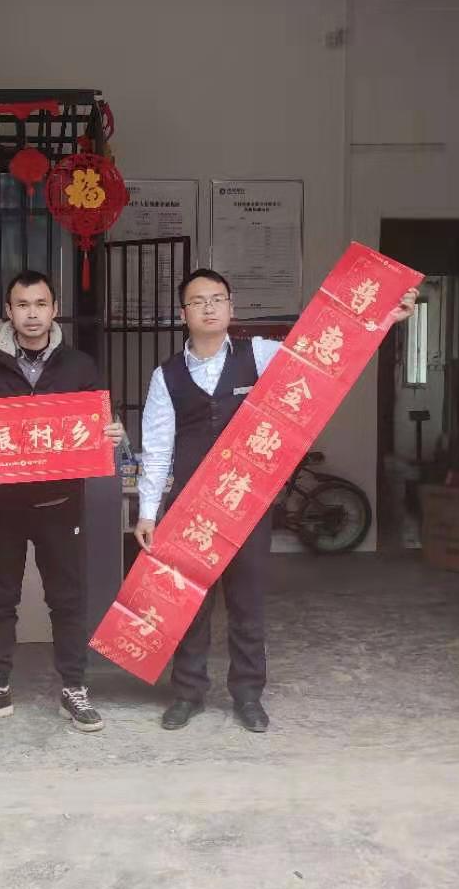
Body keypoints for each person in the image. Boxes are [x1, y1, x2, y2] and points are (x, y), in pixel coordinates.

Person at [134, 268, 417, 733]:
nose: (209, 307)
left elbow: (327, 354)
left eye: (217, 298)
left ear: (231, 307)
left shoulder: (260, 355)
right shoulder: (166, 376)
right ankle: (187, 694)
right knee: (190, 606)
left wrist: (384, 316)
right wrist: (148, 512)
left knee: (247, 605)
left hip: (246, 504)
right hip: (190, 508)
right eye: (198, 301)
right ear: (183, 313)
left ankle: (248, 696)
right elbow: (158, 445)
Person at [0, 270, 122, 733]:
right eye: (23, 305)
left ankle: (74, 688)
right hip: (1, 508)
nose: (32, 314)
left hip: (60, 504)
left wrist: (113, 433)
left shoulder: (79, 366)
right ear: (9, 311)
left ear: (54, 310)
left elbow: (98, 429)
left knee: (67, 599)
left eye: (41, 304)